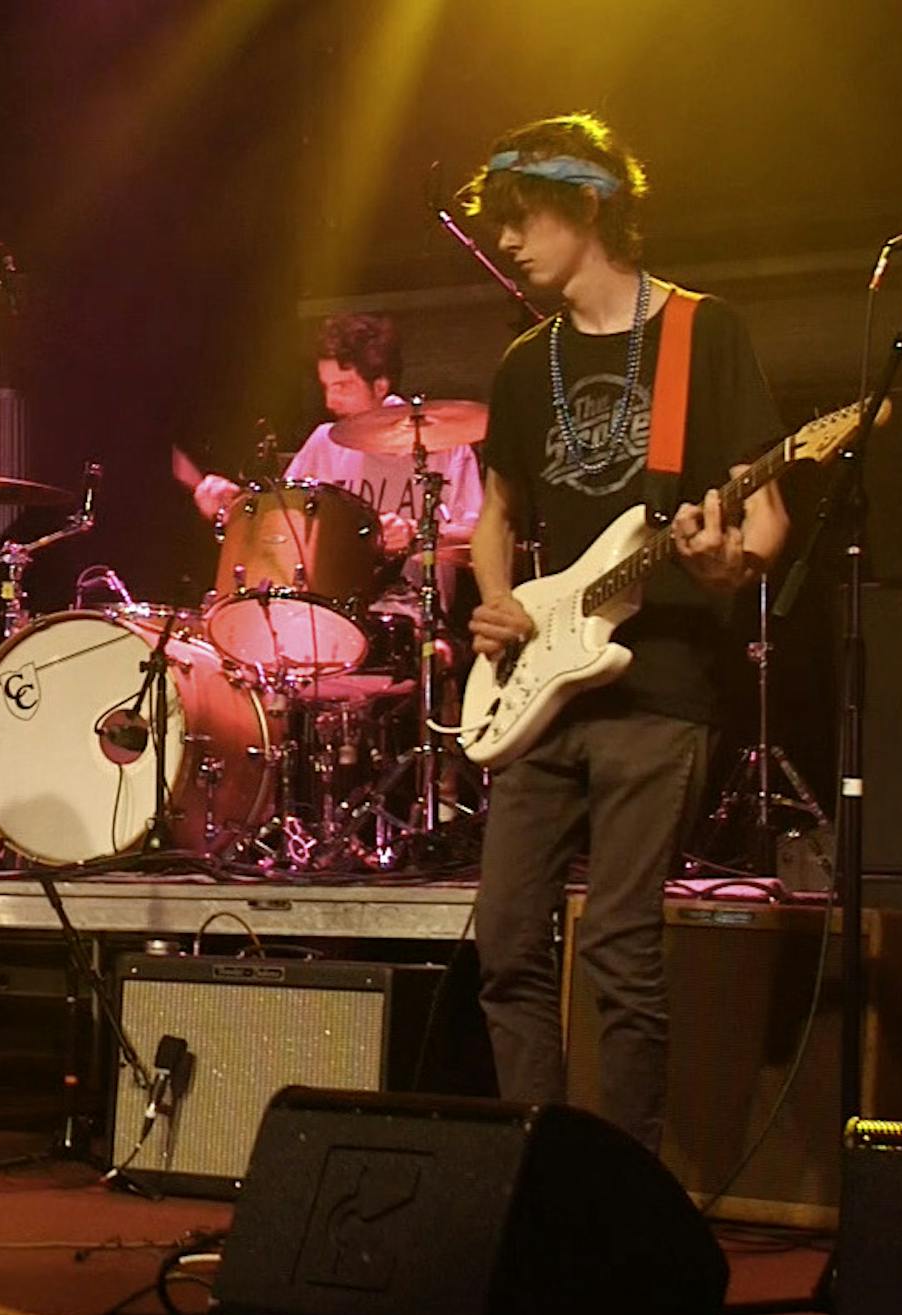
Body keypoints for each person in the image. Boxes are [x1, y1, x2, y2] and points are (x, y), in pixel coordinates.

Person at [458, 114, 789, 1149]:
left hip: (661, 683)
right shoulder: (524, 361)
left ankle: (624, 1191)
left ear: (589, 205)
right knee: (508, 940)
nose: (507, 241)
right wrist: (502, 598)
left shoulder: (702, 332)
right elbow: (497, 516)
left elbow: (766, 518)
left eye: (523, 218)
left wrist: (722, 560)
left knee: (619, 942)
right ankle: (533, 1167)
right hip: (539, 681)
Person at [176, 313, 485, 611]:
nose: (329, 402)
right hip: (327, 614)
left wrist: (417, 533)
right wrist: (235, 506)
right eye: (326, 386)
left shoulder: (446, 445)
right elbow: (281, 526)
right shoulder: (325, 441)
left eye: (343, 386)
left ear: (380, 385)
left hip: (411, 618)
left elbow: (480, 540)